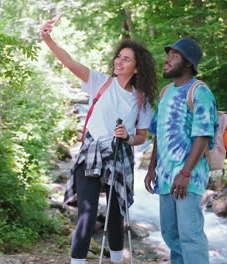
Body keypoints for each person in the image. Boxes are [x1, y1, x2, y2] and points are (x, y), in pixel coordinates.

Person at [40, 15, 157, 264]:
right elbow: (69, 62)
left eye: (126, 59)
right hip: (91, 152)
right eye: (118, 56)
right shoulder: (100, 82)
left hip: (119, 155)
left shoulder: (142, 99)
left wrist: (127, 137)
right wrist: (47, 38)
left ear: (137, 68)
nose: (119, 61)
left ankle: (116, 260)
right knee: (87, 213)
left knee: (116, 215)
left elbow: (142, 137)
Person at [144, 38, 217, 264]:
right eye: (168, 55)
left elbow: (203, 135)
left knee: (190, 236)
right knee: (171, 236)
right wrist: (151, 168)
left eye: (174, 56)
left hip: (188, 176)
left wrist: (185, 173)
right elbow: (158, 132)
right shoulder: (165, 92)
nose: (166, 60)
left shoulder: (199, 91)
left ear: (188, 63)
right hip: (165, 177)